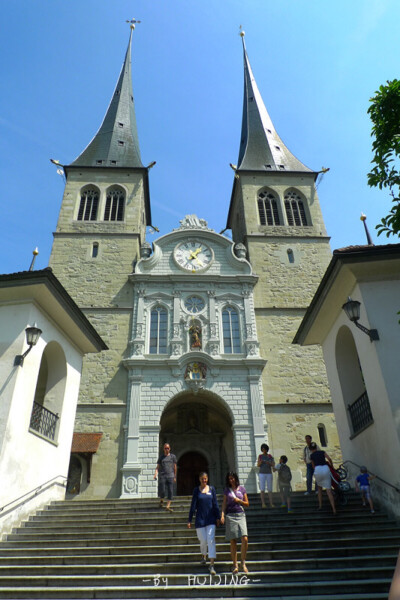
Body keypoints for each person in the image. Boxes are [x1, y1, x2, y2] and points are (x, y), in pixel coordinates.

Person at [187, 472, 221, 576]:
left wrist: (218, 517)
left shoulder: (212, 489)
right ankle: (203, 555)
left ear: (207, 479)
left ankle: (211, 564)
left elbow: (215, 503)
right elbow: (193, 505)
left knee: (211, 540)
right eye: (202, 479)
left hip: (211, 519)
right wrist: (189, 520)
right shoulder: (196, 490)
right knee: (203, 540)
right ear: (199, 479)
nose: (204, 480)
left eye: (205, 478)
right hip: (200, 519)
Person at [221, 471, 249, 574]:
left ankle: (243, 562)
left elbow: (247, 503)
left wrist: (239, 501)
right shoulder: (226, 491)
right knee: (233, 540)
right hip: (230, 516)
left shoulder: (242, 489)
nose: (231, 480)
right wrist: (222, 515)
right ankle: (235, 564)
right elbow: (224, 503)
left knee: (245, 538)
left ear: (236, 478)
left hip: (240, 514)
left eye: (232, 478)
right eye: (229, 479)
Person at [310, 442, 336, 515]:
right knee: (329, 490)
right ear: (316, 447)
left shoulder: (311, 455)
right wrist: (332, 466)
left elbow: (313, 466)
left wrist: (316, 471)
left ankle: (320, 506)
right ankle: (334, 509)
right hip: (325, 468)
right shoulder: (322, 452)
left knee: (319, 488)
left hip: (318, 469)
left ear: (311, 449)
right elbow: (329, 458)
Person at [153, 442, 177, 512]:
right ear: (163, 449)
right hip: (163, 476)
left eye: (168, 448)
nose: (167, 449)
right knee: (162, 491)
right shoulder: (161, 457)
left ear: (170, 449)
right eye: (165, 448)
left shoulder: (173, 457)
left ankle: (168, 506)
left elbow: (175, 467)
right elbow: (157, 467)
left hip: (170, 476)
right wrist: (155, 474)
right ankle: (161, 500)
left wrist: (175, 476)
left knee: (170, 491)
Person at [257, 443, 275, 508]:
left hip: (269, 473)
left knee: (270, 489)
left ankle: (271, 503)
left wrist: (269, 463)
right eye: (263, 449)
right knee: (262, 488)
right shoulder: (260, 456)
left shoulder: (270, 456)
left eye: (264, 449)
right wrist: (261, 462)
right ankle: (263, 503)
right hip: (262, 473)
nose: (263, 450)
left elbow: (273, 464)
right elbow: (258, 465)